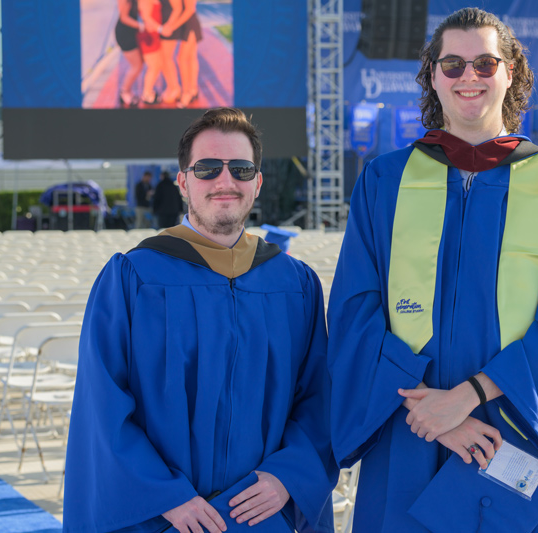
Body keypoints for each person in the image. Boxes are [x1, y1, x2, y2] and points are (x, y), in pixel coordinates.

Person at [327, 7, 538, 532]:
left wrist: (468, 398)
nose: (468, 77)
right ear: (432, 75)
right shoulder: (384, 182)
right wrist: (432, 417)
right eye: (452, 64)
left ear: (511, 72)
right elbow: (355, 314)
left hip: (516, 432)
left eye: (485, 62)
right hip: (409, 430)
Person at [64, 107, 337, 532]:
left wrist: (289, 476)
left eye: (241, 169)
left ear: (257, 183)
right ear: (183, 182)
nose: (225, 181)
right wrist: (166, 496)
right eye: (208, 168)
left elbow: (319, 398)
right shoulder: (134, 278)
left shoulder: (294, 284)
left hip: (262, 515)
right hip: (162, 517)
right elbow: (102, 406)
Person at [115, 0, 144, 107]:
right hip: (125, 34)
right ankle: (124, 92)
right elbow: (124, 17)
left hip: (130, 33)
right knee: (137, 65)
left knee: (138, 64)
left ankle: (127, 91)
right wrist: (141, 26)